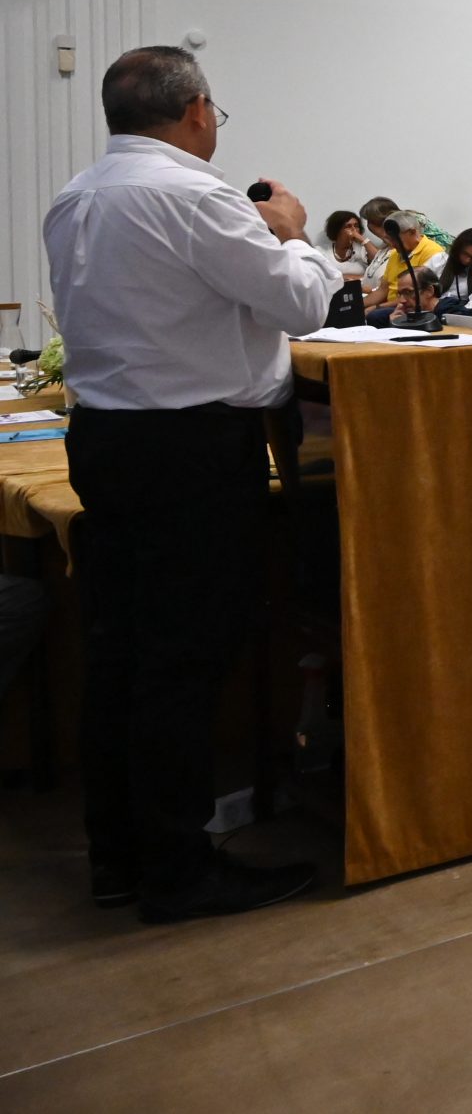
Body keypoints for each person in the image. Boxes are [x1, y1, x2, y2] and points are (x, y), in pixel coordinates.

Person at [42, 45, 339, 919]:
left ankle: (120, 854)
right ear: (197, 110)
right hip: (191, 449)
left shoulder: (76, 195)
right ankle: (178, 870)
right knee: (183, 658)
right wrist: (294, 232)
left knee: (121, 651)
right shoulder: (195, 194)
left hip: (105, 437)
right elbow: (301, 305)